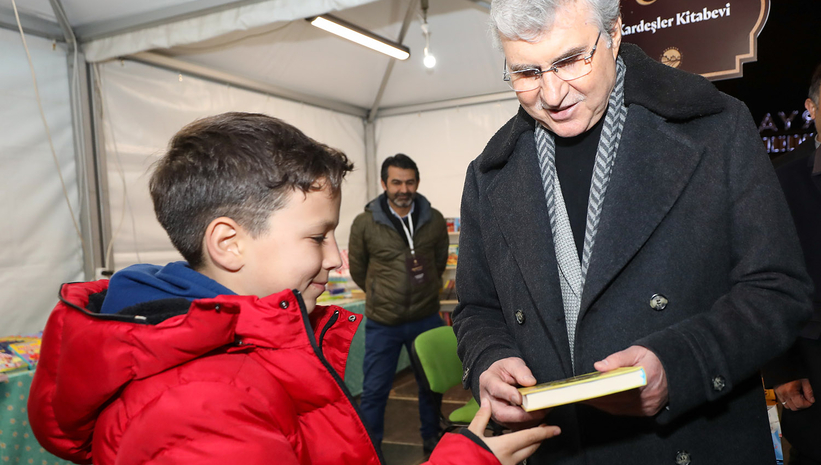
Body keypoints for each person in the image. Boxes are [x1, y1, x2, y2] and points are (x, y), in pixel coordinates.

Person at [27, 112, 559, 465]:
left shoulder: (239, 356)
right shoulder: (196, 407)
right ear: (229, 244)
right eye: (316, 237)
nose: (334, 259)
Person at [452, 0, 813, 464]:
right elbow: (476, 308)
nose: (553, 93)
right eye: (526, 72)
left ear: (615, 33)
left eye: (571, 61)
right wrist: (489, 360)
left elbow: (778, 289)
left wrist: (680, 365)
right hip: (561, 448)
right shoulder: (489, 175)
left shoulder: (716, 128)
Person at [349, 154, 450, 454]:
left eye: (409, 182)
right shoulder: (365, 223)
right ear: (384, 184)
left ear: (417, 183)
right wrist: (381, 292)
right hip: (384, 322)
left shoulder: (433, 219)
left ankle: (431, 441)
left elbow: (440, 261)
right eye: (396, 182)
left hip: (425, 318)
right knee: (375, 391)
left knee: (431, 387)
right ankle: (371, 450)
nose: (403, 189)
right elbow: (358, 269)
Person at [763, 64, 821, 465]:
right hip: (814, 372)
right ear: (811, 108)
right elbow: (762, 279)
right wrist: (780, 368)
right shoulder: (783, 185)